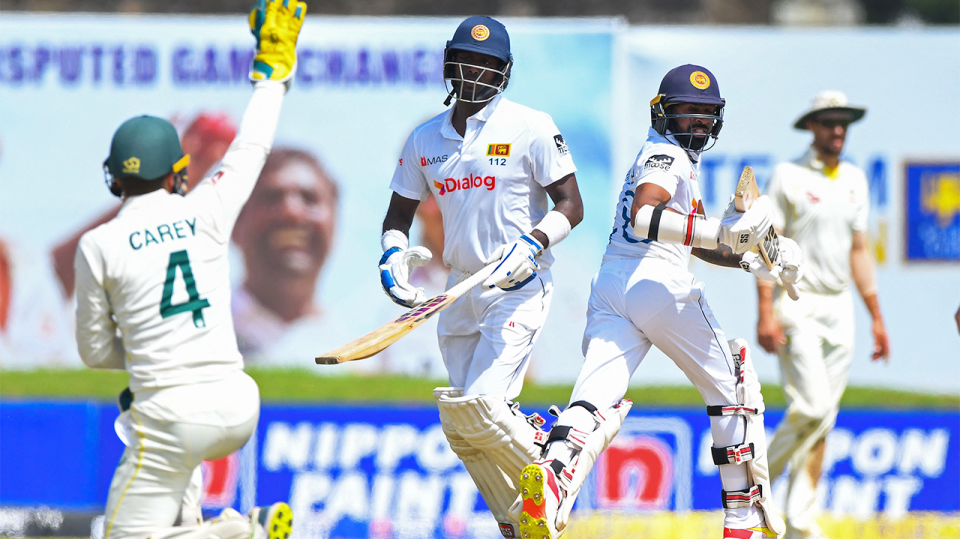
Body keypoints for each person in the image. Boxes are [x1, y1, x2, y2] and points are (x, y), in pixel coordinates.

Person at [522, 65, 804, 539]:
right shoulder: (665, 155)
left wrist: (752, 258)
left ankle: (551, 476)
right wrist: (724, 230)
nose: (697, 122)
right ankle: (743, 521)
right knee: (734, 385)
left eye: (705, 114)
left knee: (593, 399)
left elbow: (694, 242)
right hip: (657, 284)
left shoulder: (673, 161)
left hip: (613, 285)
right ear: (661, 113)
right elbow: (647, 215)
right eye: (686, 112)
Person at [73, 2, 304, 538]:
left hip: (168, 417)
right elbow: (252, 146)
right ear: (179, 173)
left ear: (113, 180)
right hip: (237, 402)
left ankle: (241, 531)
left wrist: (152, 348)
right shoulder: (206, 208)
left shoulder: (98, 243)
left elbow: (93, 352)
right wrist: (271, 73)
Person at [377, 16, 584, 538]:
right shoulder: (426, 137)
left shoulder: (530, 126)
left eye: (489, 65)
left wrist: (534, 241)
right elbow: (398, 216)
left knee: (485, 408)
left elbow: (572, 205)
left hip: (518, 283)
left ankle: (553, 459)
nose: (476, 72)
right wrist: (391, 258)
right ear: (450, 64)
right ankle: (516, 522)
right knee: (464, 430)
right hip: (458, 288)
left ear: (504, 72)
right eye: (468, 60)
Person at [756, 90, 890, 539]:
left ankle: (799, 522)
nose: (838, 130)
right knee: (811, 407)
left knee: (823, 419)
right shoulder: (789, 175)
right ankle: (753, 493)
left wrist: (876, 316)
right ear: (811, 127)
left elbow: (858, 250)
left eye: (843, 122)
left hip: (841, 309)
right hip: (797, 303)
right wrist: (765, 312)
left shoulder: (854, 178)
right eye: (829, 122)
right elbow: (766, 246)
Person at [231, 147, 341, 363]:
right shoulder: (193, 338)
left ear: (335, 225)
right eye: (271, 198)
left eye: (309, 199)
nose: (292, 212)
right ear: (234, 224)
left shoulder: (361, 360)